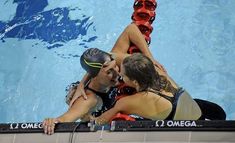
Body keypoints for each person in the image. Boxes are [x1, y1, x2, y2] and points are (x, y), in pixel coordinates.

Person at [94, 53, 226, 125]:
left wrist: (87, 116)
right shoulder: (158, 71)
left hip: (191, 131)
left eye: (122, 74)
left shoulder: (128, 102)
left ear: (134, 81)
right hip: (210, 111)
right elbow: (111, 55)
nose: (119, 75)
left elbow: (100, 122)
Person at [43, 48, 119, 135]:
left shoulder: (110, 72)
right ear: (94, 76)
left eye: (116, 66)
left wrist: (81, 84)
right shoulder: (88, 99)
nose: (117, 73)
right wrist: (53, 121)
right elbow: (66, 119)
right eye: (109, 72)